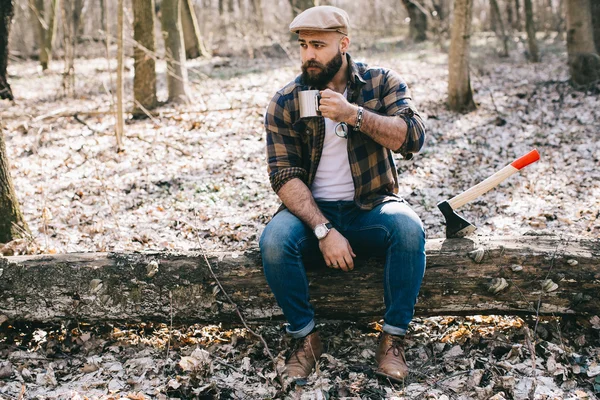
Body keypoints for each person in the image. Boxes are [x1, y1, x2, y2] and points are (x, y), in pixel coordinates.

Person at [259, 5, 426, 383]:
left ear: (344, 44)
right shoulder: (287, 100)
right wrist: (322, 229)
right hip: (311, 213)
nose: (309, 55)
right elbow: (283, 175)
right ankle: (305, 339)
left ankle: (394, 338)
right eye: (303, 46)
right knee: (272, 242)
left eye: (318, 45)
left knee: (409, 229)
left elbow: (413, 137)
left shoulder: (380, 83)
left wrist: (355, 115)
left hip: (370, 206)